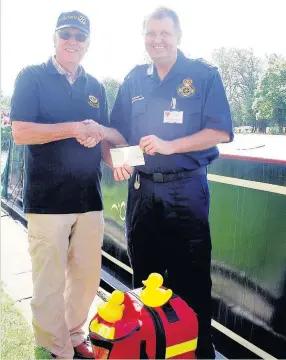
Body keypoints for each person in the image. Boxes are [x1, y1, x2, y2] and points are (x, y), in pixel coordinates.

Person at [109, 7, 233, 359]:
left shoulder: (203, 74)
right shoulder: (134, 79)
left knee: (191, 281)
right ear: (144, 37)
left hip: (186, 191)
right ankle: (147, 349)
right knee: (144, 278)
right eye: (151, 33)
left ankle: (198, 352)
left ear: (178, 36)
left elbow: (220, 131)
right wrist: (107, 145)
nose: (157, 40)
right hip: (142, 191)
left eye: (164, 33)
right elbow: (120, 131)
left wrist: (169, 145)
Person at [10, 10, 124, 359]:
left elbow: (107, 140)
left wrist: (118, 158)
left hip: (89, 198)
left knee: (88, 278)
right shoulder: (31, 77)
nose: (73, 41)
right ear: (55, 38)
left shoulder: (96, 87)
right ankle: (53, 347)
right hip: (47, 200)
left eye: (80, 36)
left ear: (88, 43)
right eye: (66, 34)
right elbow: (21, 132)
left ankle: (75, 335)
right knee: (49, 283)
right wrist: (74, 128)